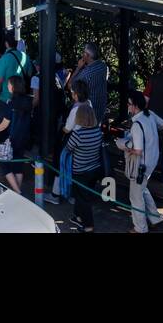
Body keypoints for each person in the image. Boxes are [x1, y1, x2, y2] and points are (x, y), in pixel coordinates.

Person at [121, 89, 163, 233]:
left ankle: (140, 228)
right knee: (143, 189)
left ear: (134, 106)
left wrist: (125, 146)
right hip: (152, 160)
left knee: (135, 197)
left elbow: (138, 150)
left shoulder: (136, 124)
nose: (127, 106)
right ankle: (155, 218)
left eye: (129, 104)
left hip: (141, 166)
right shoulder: (150, 115)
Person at [65, 95, 105, 232]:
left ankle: (88, 226)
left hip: (80, 170)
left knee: (83, 199)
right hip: (94, 168)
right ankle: (78, 217)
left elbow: (68, 148)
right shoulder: (98, 132)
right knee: (81, 195)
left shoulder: (78, 134)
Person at [0, 75, 33, 192]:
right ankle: (18, 191)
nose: (7, 85)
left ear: (13, 86)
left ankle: (17, 191)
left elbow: (5, 123)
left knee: (2, 162)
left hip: (12, 138)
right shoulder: (28, 101)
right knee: (18, 164)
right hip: (24, 137)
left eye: (9, 84)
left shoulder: (12, 103)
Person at [0, 29, 30, 104]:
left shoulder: (3, 60)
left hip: (5, 99)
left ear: (6, 43)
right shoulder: (25, 57)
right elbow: (29, 75)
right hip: (21, 98)